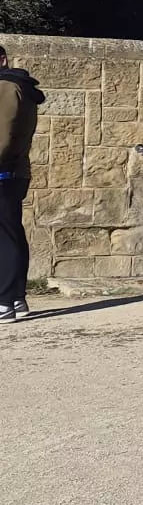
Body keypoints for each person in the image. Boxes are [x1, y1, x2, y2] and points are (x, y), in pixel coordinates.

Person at [0, 43, 44, 322]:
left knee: (5, 234)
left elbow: (2, 136)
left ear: (2, 60)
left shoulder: (5, 86)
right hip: (15, 171)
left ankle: (4, 301)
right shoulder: (19, 86)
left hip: (4, 172)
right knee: (11, 231)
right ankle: (15, 297)